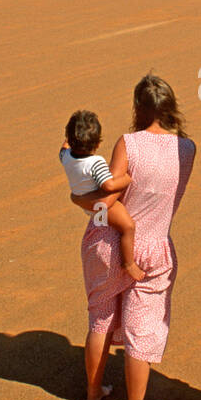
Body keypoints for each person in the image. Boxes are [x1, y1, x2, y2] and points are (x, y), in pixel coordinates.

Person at [71, 75, 195, 400]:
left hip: (107, 243)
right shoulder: (187, 149)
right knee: (143, 326)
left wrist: (78, 198)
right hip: (155, 247)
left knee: (100, 319)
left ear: (137, 108)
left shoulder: (128, 143)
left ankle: (94, 395)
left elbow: (105, 202)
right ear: (172, 108)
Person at [60, 109, 145, 281]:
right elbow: (108, 185)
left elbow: (64, 146)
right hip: (103, 206)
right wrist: (128, 178)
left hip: (85, 202)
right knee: (128, 227)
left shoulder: (65, 156)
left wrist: (69, 137)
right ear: (97, 144)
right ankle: (128, 263)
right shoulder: (95, 162)